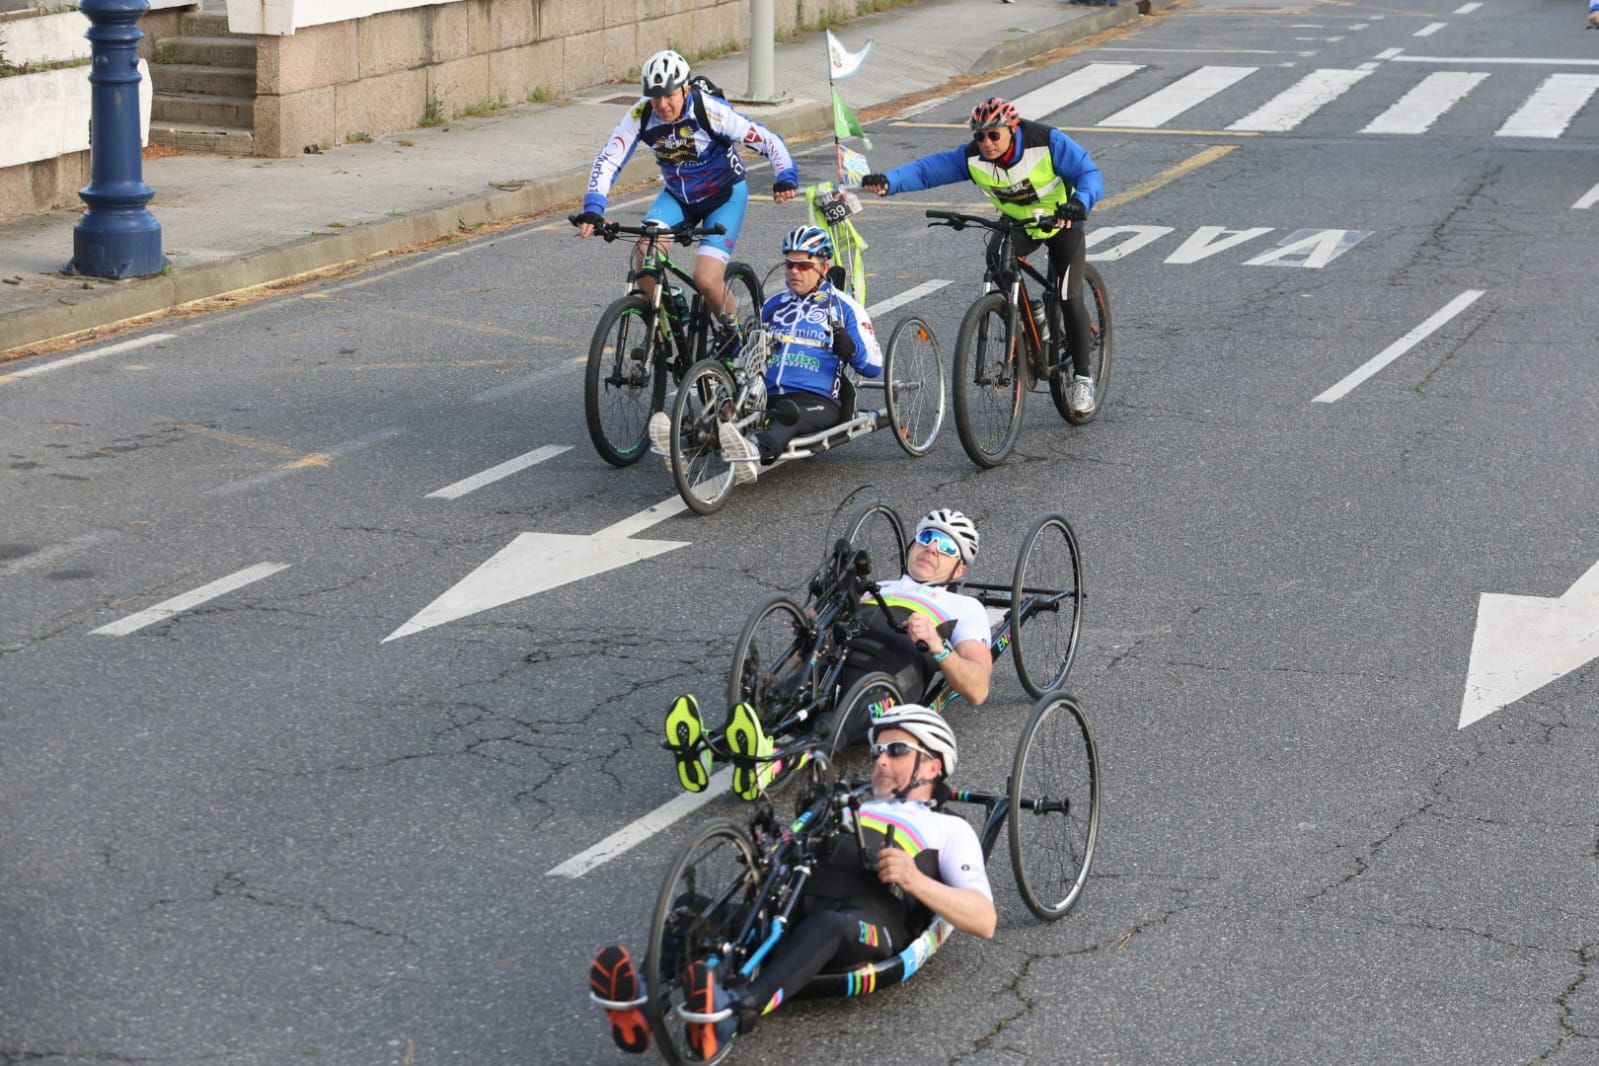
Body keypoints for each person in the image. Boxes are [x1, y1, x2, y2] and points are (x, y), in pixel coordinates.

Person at [587, 707, 996, 1059]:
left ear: (933, 765)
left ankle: (731, 1012)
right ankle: (639, 1002)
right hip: (795, 906)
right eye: (877, 751)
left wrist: (914, 880)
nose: (881, 761)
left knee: (829, 925)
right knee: (689, 910)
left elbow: (983, 918)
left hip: (869, 923)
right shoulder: (853, 805)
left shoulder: (948, 828)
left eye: (897, 750)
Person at [664, 507, 992, 800]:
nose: (932, 547)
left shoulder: (964, 607)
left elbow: (978, 689)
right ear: (912, 544)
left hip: (887, 678)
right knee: (782, 698)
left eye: (947, 547)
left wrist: (936, 645)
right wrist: (809, 634)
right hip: (837, 658)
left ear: (959, 570)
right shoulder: (876, 587)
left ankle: (775, 763)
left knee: (832, 720)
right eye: (927, 536)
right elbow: (802, 658)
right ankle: (706, 749)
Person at [861, 97, 1105, 417]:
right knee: (996, 259)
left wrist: (1080, 203)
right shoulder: (974, 157)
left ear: (1012, 129)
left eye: (994, 135)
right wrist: (889, 182)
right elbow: (927, 171)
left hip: (1062, 222)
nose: (986, 143)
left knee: (1066, 294)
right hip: (1019, 223)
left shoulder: (1046, 143)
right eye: (979, 136)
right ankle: (1031, 314)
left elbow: (1089, 173)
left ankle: (1083, 378)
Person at [575, 49, 800, 334]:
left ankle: (735, 338)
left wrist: (785, 177)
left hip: (724, 197)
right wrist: (594, 208)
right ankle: (671, 315)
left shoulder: (710, 110)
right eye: (656, 96)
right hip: (678, 197)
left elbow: (768, 140)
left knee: (706, 279)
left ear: (686, 88)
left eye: (669, 95)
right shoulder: (641, 114)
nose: (663, 104)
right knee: (644, 258)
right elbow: (609, 159)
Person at [653, 224, 882, 482]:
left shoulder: (845, 306)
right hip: (765, 394)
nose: (794, 271)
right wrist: (731, 345)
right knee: (727, 406)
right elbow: (751, 350)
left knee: (787, 413)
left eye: (804, 266)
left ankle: (754, 452)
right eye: (789, 264)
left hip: (816, 399)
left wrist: (851, 349)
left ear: (824, 267)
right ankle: (682, 447)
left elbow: (873, 366)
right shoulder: (773, 304)